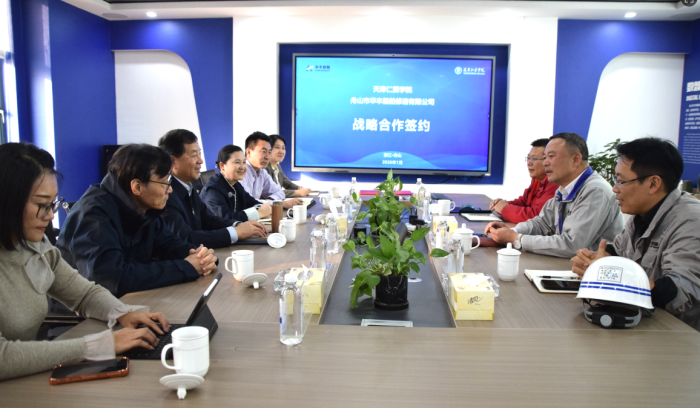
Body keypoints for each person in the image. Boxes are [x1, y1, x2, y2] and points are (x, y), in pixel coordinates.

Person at [0, 143, 170, 381]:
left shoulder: (35, 245)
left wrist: (122, 312)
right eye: (41, 205)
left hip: (24, 379)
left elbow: (83, 294)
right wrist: (98, 345)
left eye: (52, 204)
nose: (50, 215)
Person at [571, 138, 700, 331]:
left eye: (621, 181)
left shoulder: (691, 221)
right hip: (640, 321)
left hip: (677, 334)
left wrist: (608, 275)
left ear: (653, 183)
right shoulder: (641, 214)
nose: (615, 188)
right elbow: (618, 251)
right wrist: (593, 261)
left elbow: (681, 293)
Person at [57, 144, 217, 298]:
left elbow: (168, 244)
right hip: (85, 312)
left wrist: (198, 256)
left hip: (129, 301)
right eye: (164, 182)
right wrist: (185, 267)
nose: (170, 189)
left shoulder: (142, 207)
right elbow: (112, 278)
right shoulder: (93, 214)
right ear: (137, 187)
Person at [485, 133, 623, 258]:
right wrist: (511, 230)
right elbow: (542, 223)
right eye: (545, 157)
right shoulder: (564, 188)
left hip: (590, 270)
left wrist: (517, 239)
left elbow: (571, 245)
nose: (545, 162)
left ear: (575, 159)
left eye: (551, 156)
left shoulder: (595, 191)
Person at [158, 129, 267, 248]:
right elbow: (186, 238)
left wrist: (237, 225)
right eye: (194, 155)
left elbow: (210, 220)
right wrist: (236, 232)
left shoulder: (189, 188)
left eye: (199, 154)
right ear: (172, 162)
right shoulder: (165, 194)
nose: (200, 161)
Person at [489, 138, 558, 223]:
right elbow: (525, 201)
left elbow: (536, 216)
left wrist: (505, 209)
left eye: (534, 159)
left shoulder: (555, 183)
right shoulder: (537, 180)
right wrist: (503, 204)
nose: (529, 163)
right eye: (528, 158)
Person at [201, 145, 273, 221]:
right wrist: (258, 213)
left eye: (244, 162)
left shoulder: (235, 185)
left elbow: (252, 203)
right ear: (222, 166)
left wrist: (264, 209)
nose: (242, 167)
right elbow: (225, 219)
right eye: (237, 162)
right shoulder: (213, 190)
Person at [239, 131, 302, 209]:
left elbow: (280, 192)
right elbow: (248, 202)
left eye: (269, 152)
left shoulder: (262, 172)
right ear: (248, 152)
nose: (267, 157)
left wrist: (270, 201)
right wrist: (280, 203)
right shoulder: (240, 172)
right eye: (264, 152)